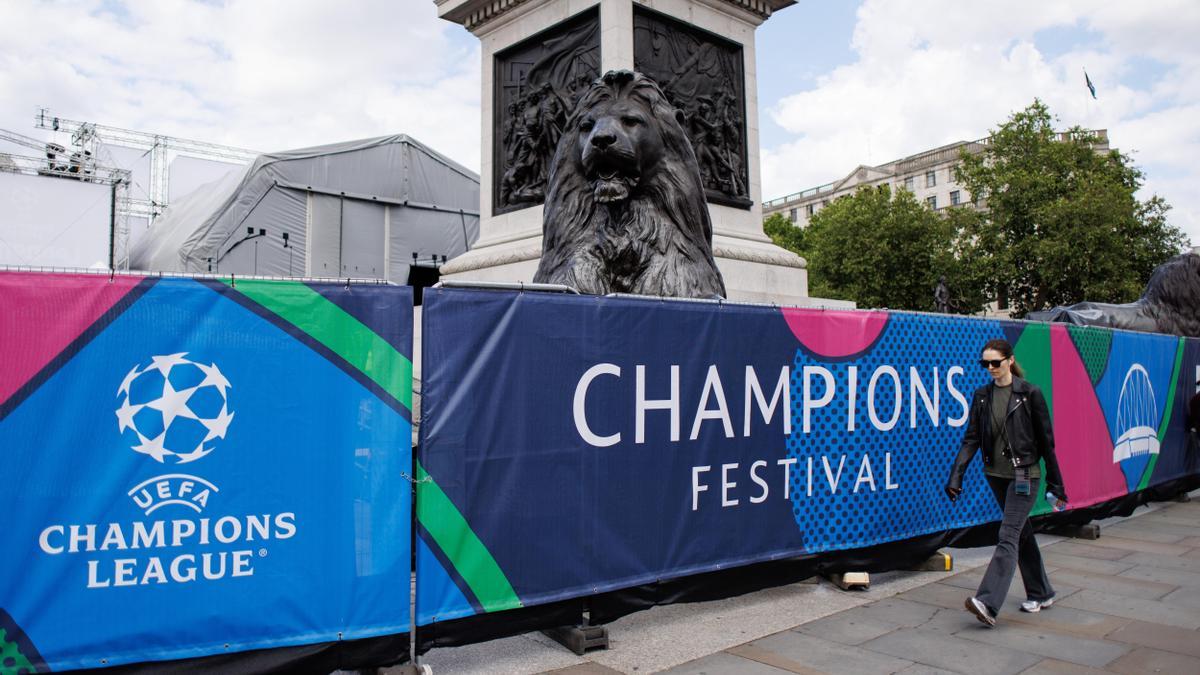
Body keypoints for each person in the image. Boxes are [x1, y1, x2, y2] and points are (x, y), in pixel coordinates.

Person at [945, 338, 1068, 627]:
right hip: (996, 475)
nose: (990, 368)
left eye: (995, 362)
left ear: (1009, 361)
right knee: (1021, 533)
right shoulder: (982, 395)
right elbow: (971, 438)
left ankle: (988, 602)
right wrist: (956, 475)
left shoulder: (1029, 394)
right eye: (985, 363)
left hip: (1024, 474)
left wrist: (1056, 483)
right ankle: (1041, 592)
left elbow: (1047, 443)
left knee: (1008, 534)